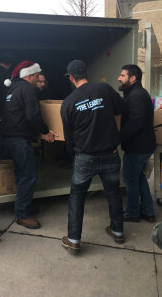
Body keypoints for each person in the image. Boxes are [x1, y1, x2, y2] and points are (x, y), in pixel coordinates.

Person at [61, 59, 125, 254]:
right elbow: (120, 108)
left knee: (77, 196)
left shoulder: (68, 102)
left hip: (85, 156)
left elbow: (68, 137)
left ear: (71, 78)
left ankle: (73, 240)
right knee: (113, 193)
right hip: (111, 153)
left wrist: (73, 155)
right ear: (87, 73)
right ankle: (118, 231)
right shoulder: (104, 89)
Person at [2, 61, 58, 229]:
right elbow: (33, 115)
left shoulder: (13, 89)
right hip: (19, 139)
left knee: (21, 174)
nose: (37, 80)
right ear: (29, 75)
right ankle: (22, 214)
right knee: (28, 175)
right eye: (35, 76)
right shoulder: (27, 89)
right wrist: (46, 131)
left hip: (10, 137)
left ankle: (24, 205)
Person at [118, 64, 156, 223]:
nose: (119, 78)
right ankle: (148, 212)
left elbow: (136, 122)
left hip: (138, 147)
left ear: (133, 78)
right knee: (138, 178)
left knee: (129, 179)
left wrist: (118, 137)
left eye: (122, 75)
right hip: (142, 146)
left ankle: (133, 213)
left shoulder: (136, 96)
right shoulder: (134, 93)